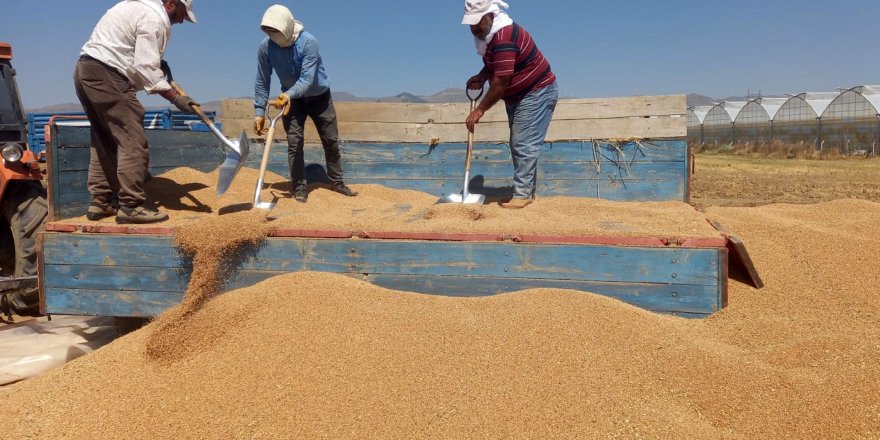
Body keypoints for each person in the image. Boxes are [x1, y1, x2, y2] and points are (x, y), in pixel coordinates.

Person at [75, 0, 199, 224]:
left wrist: (158, 64)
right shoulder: (154, 18)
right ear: (171, 3)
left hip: (85, 70)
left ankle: (101, 201)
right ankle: (131, 206)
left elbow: (129, 50)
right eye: (182, 14)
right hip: (108, 75)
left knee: (104, 138)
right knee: (133, 140)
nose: (182, 20)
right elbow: (146, 69)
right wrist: (176, 98)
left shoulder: (133, 5)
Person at [253, 4, 357, 203]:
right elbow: (262, 79)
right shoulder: (265, 47)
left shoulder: (309, 42)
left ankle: (337, 182)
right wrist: (259, 111)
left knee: (331, 141)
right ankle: (299, 186)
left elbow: (307, 79)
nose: (273, 36)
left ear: (287, 27)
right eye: (269, 32)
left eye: (276, 32)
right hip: (292, 102)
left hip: (319, 97)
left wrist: (288, 94)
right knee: (294, 143)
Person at [462, 0, 558, 209]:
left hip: (536, 91)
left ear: (490, 17)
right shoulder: (489, 37)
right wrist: (481, 75)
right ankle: (525, 192)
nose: (474, 29)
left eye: (477, 23)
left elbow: (501, 82)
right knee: (519, 142)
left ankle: (523, 195)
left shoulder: (504, 37)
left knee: (523, 143)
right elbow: (495, 67)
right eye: (471, 25)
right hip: (518, 95)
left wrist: (480, 109)